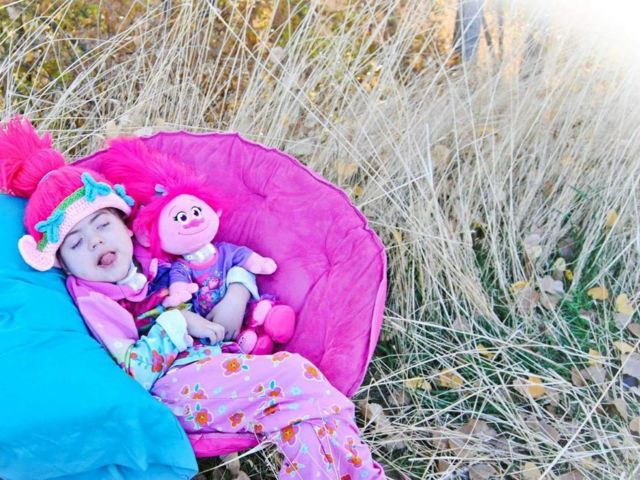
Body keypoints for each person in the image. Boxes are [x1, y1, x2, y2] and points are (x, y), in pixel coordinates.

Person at [0, 116, 386, 480]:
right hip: (174, 386)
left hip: (217, 363)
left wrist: (237, 292)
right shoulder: (94, 299)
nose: (96, 241)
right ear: (63, 263)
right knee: (295, 375)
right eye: (76, 243)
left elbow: (216, 263)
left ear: (127, 226)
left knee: (305, 412)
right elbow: (135, 372)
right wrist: (179, 321)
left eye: (102, 224)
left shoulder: (153, 258)